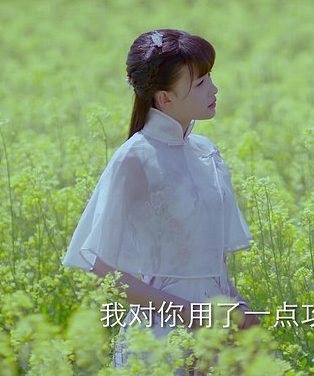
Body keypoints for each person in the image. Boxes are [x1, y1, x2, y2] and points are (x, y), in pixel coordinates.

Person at [63, 29, 259, 372]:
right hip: (159, 339)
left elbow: (206, 260)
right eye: (201, 83)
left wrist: (239, 306)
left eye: (210, 78)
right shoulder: (134, 158)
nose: (214, 89)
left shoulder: (206, 152)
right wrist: (190, 315)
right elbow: (102, 269)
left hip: (218, 335)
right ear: (165, 98)